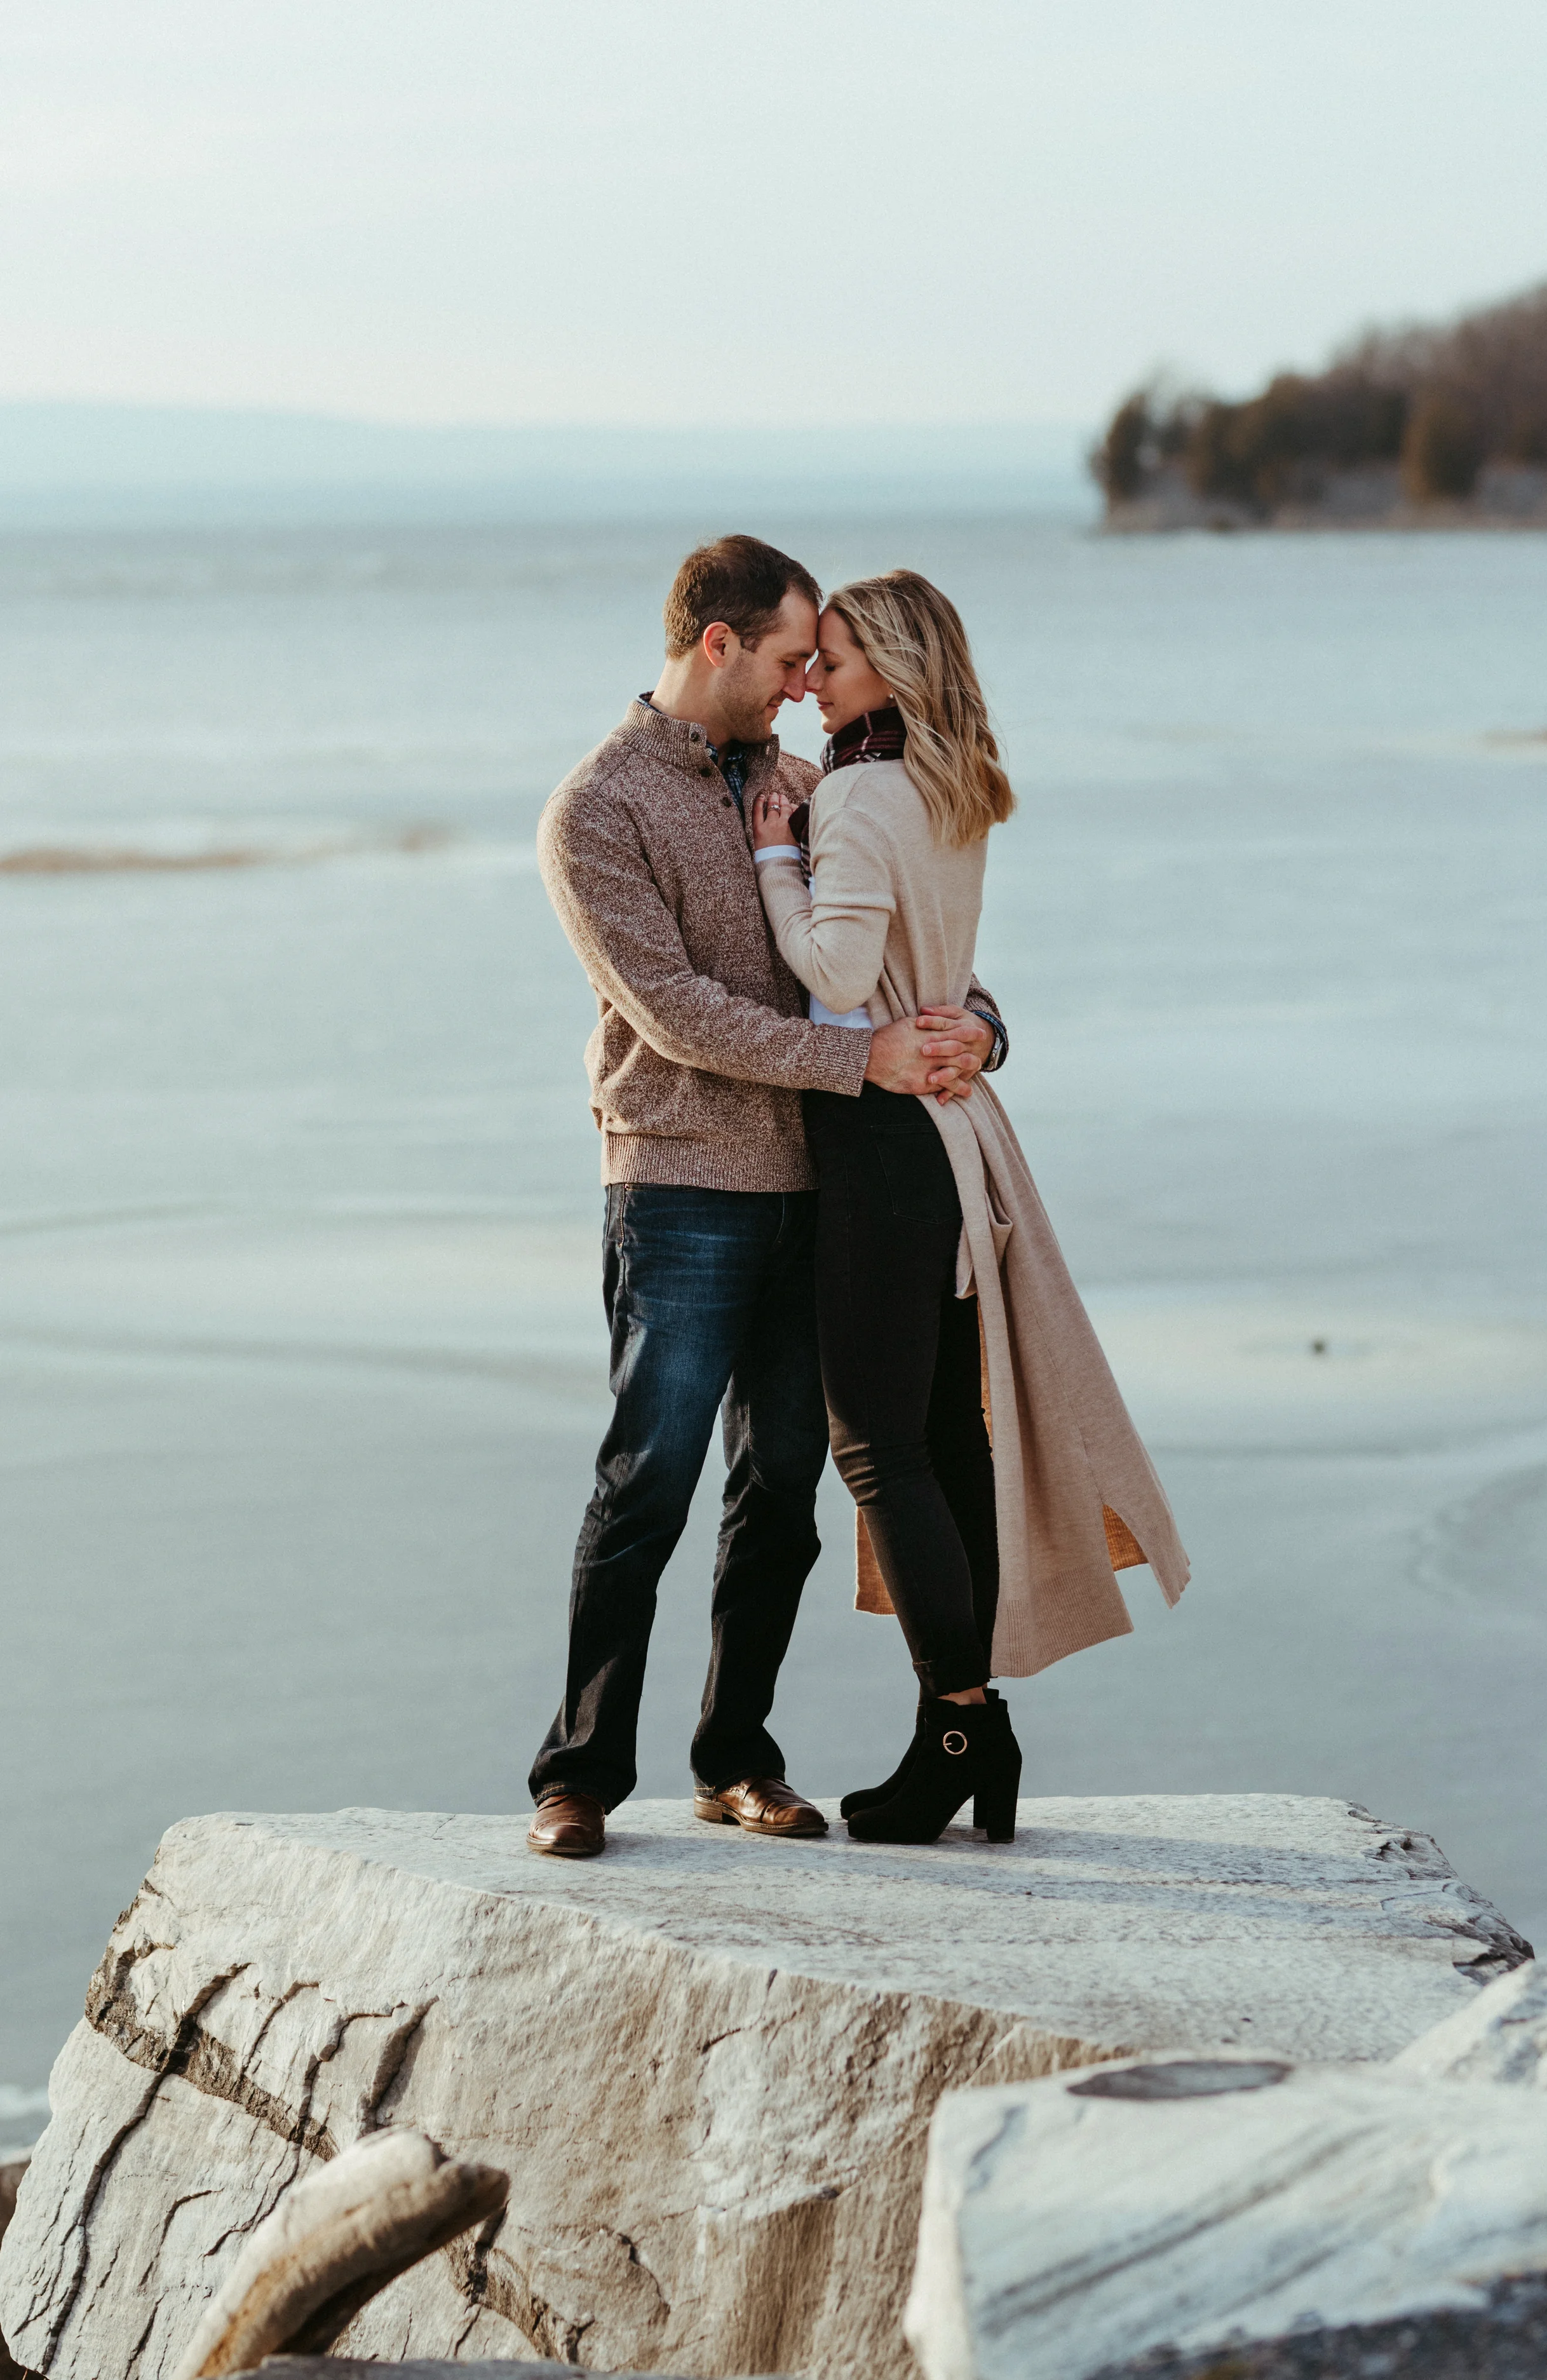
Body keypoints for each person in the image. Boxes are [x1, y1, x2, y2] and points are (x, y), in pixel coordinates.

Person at [526, 536, 1010, 1859]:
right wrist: (862, 1059)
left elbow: (896, 949)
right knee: (648, 1483)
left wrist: (977, 1024)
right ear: (718, 644)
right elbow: (676, 1013)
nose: (806, 684)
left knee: (783, 1487)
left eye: (820, 662)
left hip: (820, 1186)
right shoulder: (596, 810)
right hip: (680, 1181)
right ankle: (575, 1772)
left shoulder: (808, 782)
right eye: (790, 658)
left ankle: (735, 1755)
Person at [753, 570, 1189, 1845]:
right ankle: (970, 1736)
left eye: (830, 662)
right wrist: (983, 1027)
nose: (812, 684)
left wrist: (779, 850)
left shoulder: (852, 796)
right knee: (948, 1440)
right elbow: (927, 967)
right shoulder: (950, 791)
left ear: (888, 671)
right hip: (953, 1144)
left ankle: (956, 1729)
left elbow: (836, 968)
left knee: (879, 1446)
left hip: (881, 1143)